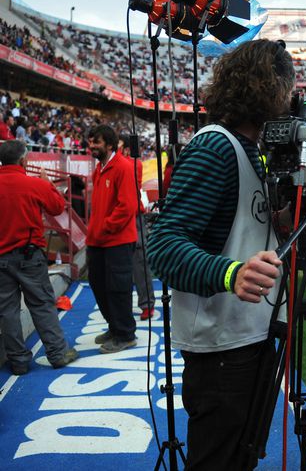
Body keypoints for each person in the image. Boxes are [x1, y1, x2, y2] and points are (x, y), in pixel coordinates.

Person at [148, 39, 293, 470]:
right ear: (270, 87)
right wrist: (231, 273)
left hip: (247, 335)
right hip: (221, 348)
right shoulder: (215, 146)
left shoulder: (252, 150)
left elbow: (243, 225)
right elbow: (164, 246)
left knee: (239, 459)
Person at [0, 140, 78, 375]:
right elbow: (57, 207)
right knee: (42, 304)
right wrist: (48, 184)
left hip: (2, 257)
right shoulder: (34, 184)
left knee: (7, 311)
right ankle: (57, 353)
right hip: (29, 254)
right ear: (24, 160)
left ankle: (18, 362)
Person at [86, 124, 139, 354]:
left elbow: (127, 206)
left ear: (109, 144)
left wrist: (105, 228)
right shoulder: (99, 169)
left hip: (117, 240)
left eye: (96, 142)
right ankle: (114, 326)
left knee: (118, 288)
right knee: (98, 285)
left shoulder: (123, 167)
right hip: (98, 241)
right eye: (89, 142)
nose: (91, 146)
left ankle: (125, 334)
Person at [119, 134, 155, 320]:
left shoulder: (133, 164)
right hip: (120, 220)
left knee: (139, 261)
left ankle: (147, 304)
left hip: (134, 218)